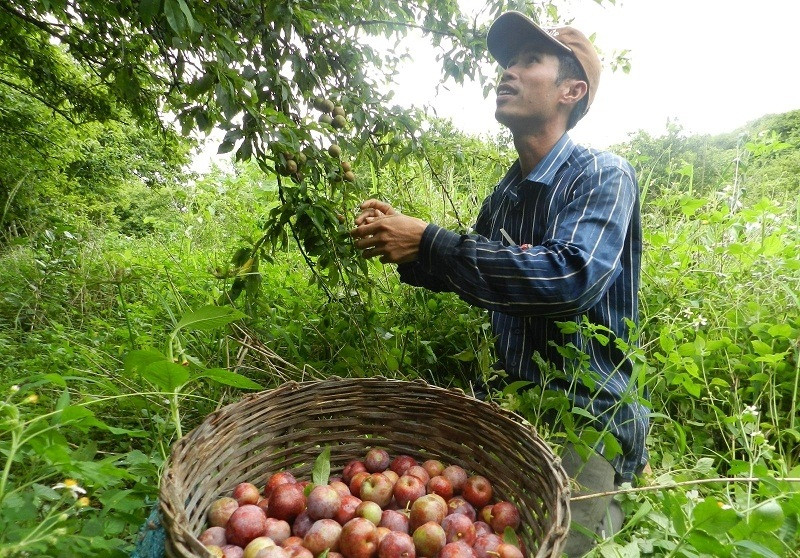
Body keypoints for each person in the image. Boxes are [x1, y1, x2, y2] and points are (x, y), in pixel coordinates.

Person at [350, 11, 649, 556]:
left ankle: (615, 499)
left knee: (553, 544)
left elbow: (570, 280)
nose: (507, 71)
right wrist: (401, 242)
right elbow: (466, 269)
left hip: (584, 411)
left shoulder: (602, 175)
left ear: (571, 90)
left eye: (529, 60)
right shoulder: (506, 196)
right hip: (512, 403)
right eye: (507, 61)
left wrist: (430, 240)